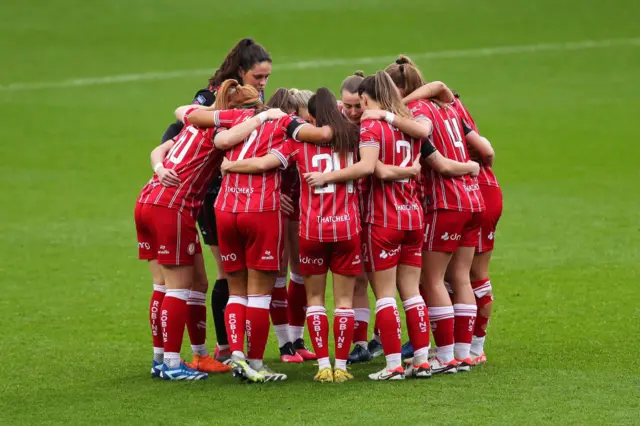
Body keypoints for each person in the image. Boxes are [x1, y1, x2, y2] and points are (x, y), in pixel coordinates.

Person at [136, 80, 286, 380]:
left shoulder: (193, 122)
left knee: (178, 285)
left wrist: (159, 168)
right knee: (178, 288)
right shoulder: (221, 131)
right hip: (173, 206)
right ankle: (172, 363)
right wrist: (262, 118)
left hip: (147, 200)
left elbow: (163, 144)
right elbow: (225, 142)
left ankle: (168, 358)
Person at [187, 85, 332, 382]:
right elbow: (312, 140)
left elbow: (200, 125)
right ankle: (255, 362)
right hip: (260, 212)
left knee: (236, 289)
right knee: (259, 294)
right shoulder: (282, 124)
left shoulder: (232, 122)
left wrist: (230, 165)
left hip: (225, 210)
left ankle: (236, 354)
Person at [221, 88, 364, 382]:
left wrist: (230, 165)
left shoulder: (296, 145)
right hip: (347, 227)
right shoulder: (355, 137)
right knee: (345, 302)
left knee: (313, 299)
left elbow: (261, 163)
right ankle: (344, 365)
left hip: (309, 229)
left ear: (309, 116)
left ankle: (323, 364)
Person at [305, 72, 436, 380]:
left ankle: (392, 366)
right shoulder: (410, 123)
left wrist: (325, 177)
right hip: (413, 215)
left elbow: (367, 168)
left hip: (383, 219)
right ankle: (422, 360)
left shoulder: (371, 125)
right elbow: (421, 140)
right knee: (413, 294)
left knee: (387, 295)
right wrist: (411, 170)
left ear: (364, 99)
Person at [159, 38, 273, 366]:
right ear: (240, 72)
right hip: (215, 197)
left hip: (249, 197)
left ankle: (243, 345)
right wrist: (163, 162)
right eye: (258, 77)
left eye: (266, 77)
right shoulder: (212, 97)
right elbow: (177, 127)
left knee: (254, 272)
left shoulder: (254, 99)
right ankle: (225, 347)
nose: (263, 84)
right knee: (229, 272)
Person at [386, 56, 493, 373]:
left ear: (403, 89)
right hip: (473, 200)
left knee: (432, 279)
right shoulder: (447, 107)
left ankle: (444, 357)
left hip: (445, 202)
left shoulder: (418, 113)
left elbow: (433, 156)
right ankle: (463, 354)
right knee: (460, 277)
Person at [272, 88, 318, 363]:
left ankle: (297, 338)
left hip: (302, 208)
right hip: (277, 209)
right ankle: (284, 344)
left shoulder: (308, 131)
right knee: (277, 272)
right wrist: (274, 195)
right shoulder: (279, 133)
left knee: (301, 271)